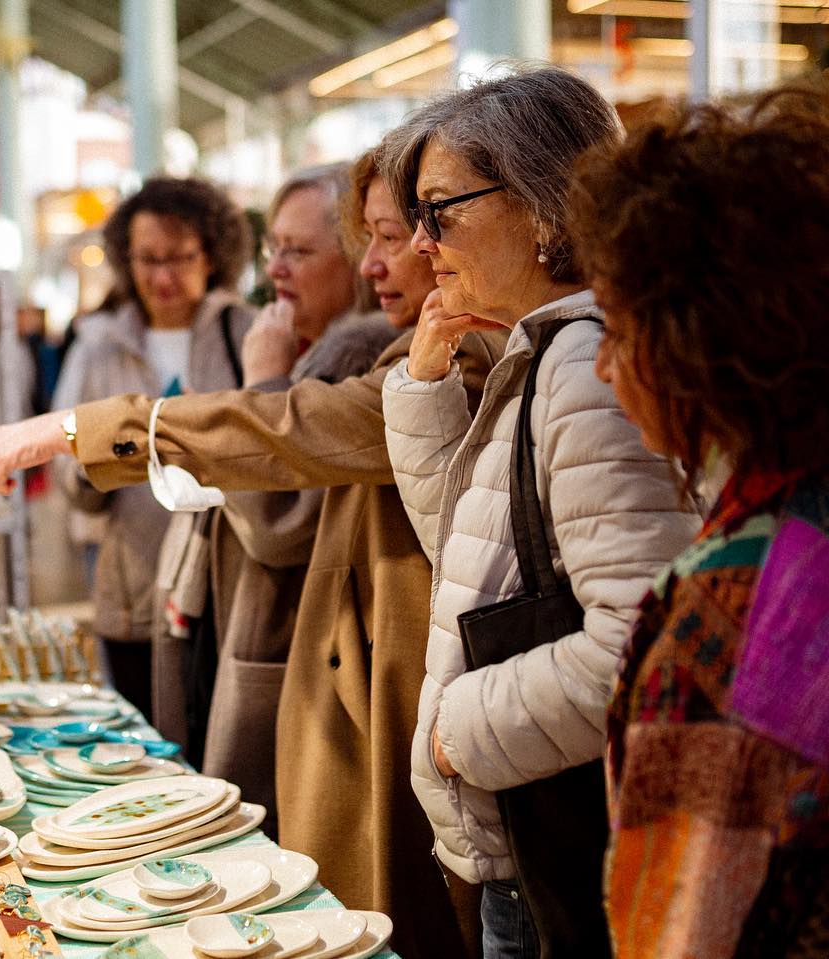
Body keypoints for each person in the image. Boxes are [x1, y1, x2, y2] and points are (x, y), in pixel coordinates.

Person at [0, 160, 501, 959]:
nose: (377, 262)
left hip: (369, 695)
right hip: (269, 650)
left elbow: (279, 451)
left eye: (385, 237)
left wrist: (67, 429)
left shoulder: (432, 352)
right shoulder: (405, 346)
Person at [376, 67, 704, 956]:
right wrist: (425, 384)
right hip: (525, 829)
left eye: (441, 209)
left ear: (543, 204)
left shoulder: (584, 364)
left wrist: (459, 728)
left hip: (552, 838)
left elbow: (639, 643)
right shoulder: (546, 350)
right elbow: (480, 555)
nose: (417, 243)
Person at [568, 84, 829, 958]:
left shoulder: (734, 610)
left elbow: (681, 929)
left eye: (615, 328)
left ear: (698, 336)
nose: (603, 367)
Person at [187, 159, 397, 832]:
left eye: (300, 250)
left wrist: (263, 379)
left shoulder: (356, 358)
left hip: (301, 659)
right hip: (276, 645)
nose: (276, 268)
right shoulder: (316, 349)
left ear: (361, 256)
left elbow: (280, 523)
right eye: (272, 247)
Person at [49, 175, 254, 721]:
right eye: (147, 259)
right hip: (135, 582)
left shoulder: (246, 334)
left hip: (230, 582)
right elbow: (69, 470)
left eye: (179, 257)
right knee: (148, 740)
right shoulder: (98, 346)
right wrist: (111, 459)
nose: (162, 276)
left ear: (211, 255)